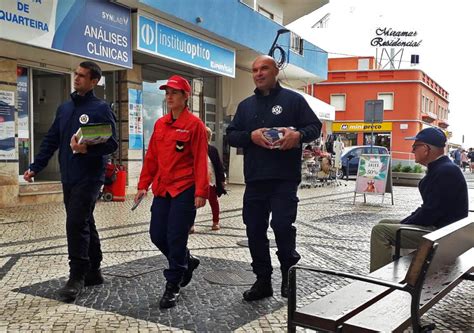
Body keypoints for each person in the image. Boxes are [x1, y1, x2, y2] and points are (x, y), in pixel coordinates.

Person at [226, 55, 322, 300]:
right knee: (254, 229)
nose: (259, 73)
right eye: (255, 70)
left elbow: (315, 127)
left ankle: (289, 275)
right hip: (256, 179)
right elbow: (231, 135)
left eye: (264, 68)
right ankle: (263, 280)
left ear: (275, 71)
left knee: (281, 226)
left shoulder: (293, 100)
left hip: (284, 178)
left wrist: (297, 135)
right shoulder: (246, 106)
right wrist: (251, 136)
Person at [23, 61, 118, 300]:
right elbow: (51, 140)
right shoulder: (64, 109)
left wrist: (87, 149)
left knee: (75, 222)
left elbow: (112, 143)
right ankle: (94, 269)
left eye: (83, 76)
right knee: (85, 220)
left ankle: (77, 275)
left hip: (90, 175)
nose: (77, 79)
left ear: (94, 81)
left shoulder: (101, 108)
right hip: (69, 175)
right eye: (76, 74)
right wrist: (36, 167)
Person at [134, 75, 208, 309]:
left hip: (185, 189)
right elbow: (152, 158)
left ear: (186, 97)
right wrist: (142, 185)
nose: (169, 96)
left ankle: (173, 284)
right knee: (157, 235)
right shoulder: (160, 124)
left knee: (176, 238)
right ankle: (186, 260)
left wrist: (201, 192)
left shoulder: (194, 125)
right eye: (167, 93)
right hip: (163, 188)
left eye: (174, 93)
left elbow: (199, 161)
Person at [370, 127, 468, 272]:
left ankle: (379, 283)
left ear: (426, 149)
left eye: (415, 147)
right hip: (445, 232)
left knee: (380, 231)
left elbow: (429, 213)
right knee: (384, 223)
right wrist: (405, 222)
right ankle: (387, 269)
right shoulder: (444, 168)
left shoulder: (445, 171)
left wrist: (405, 224)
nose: (412, 151)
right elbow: (430, 209)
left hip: (442, 236)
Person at [206, 126, 227, 231]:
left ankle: (215, 221)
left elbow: (218, 166)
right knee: (192, 203)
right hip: (197, 181)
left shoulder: (212, 150)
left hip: (211, 181)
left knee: (213, 201)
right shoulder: (195, 149)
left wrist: (222, 180)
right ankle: (191, 224)